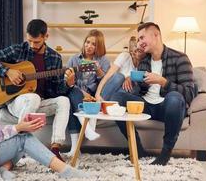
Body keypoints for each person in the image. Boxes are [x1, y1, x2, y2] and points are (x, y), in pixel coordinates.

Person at [0, 55, 88, 180]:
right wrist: (18, 128)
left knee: (21, 137)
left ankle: (4, 169)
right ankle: (65, 170)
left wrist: (19, 128)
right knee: (24, 139)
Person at [110, 22, 196, 166]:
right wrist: (131, 79)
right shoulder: (144, 61)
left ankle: (165, 153)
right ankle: (137, 149)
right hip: (147, 105)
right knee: (117, 97)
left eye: (142, 38)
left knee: (174, 98)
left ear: (156, 35)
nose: (140, 42)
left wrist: (163, 82)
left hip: (167, 108)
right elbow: (139, 91)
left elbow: (189, 94)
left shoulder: (180, 58)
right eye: (138, 39)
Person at [0, 19, 73, 161]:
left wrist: (68, 84)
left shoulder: (55, 57)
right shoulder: (18, 50)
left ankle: (55, 148)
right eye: (29, 41)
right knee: (34, 97)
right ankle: (19, 144)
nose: (32, 45)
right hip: (15, 103)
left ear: (46, 37)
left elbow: (57, 91)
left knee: (63, 100)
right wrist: (7, 71)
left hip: (40, 103)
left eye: (37, 42)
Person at [64, 29, 110, 156]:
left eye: (93, 44)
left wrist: (98, 70)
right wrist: (71, 81)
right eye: (87, 42)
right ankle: (82, 137)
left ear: (99, 46)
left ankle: (75, 147)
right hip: (76, 92)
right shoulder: (74, 59)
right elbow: (66, 82)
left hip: (93, 96)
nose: (89, 46)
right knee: (72, 96)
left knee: (72, 101)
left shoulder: (103, 60)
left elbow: (106, 83)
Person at [95, 36, 145, 101]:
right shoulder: (125, 56)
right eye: (135, 46)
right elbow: (107, 76)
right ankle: (102, 102)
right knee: (119, 76)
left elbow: (144, 80)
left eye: (140, 49)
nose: (136, 50)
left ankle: (108, 105)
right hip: (111, 89)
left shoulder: (146, 63)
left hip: (124, 94)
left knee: (135, 85)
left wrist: (131, 77)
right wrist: (97, 94)